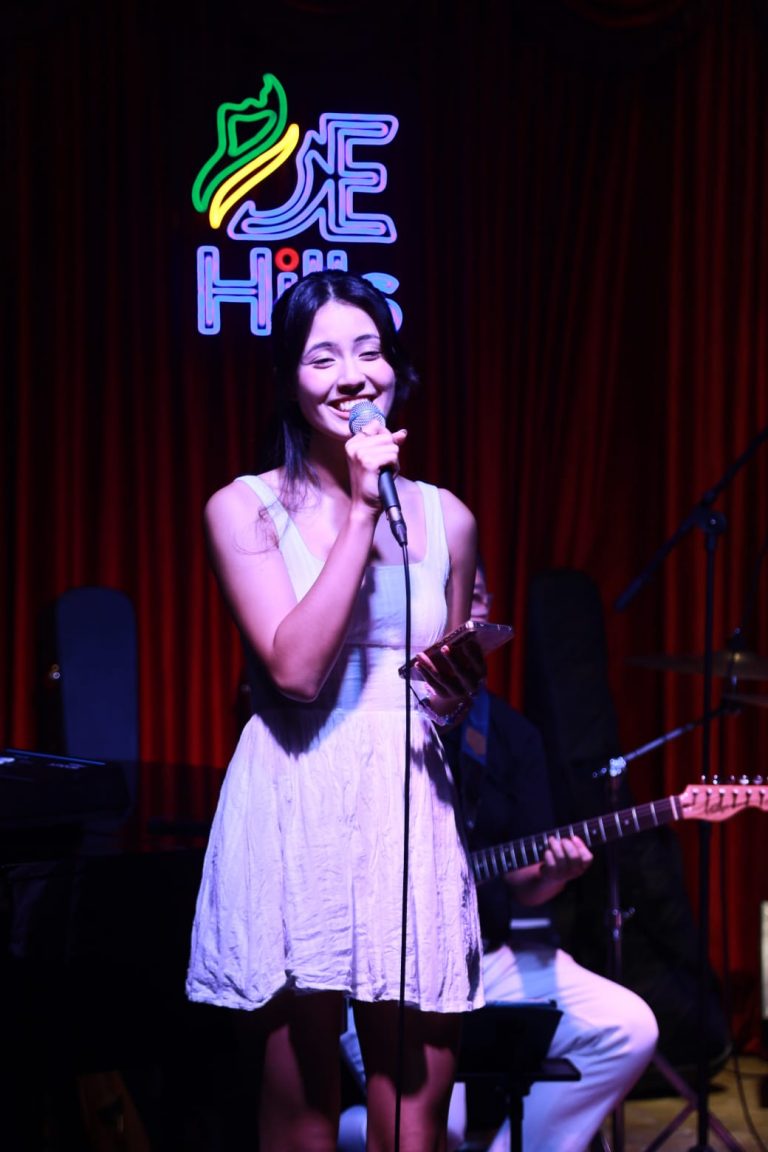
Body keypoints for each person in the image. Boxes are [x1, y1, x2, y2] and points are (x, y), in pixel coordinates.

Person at [185, 269, 488, 1152]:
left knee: (414, 1124)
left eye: (369, 352)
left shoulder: (448, 519)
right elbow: (296, 671)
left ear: (396, 371)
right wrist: (360, 514)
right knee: (302, 1120)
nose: (353, 375)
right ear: (290, 381)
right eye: (323, 358)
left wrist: (454, 691)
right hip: (294, 795)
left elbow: (446, 693)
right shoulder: (243, 508)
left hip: (408, 803)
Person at [339, 563, 659, 1152]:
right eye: (454, 596)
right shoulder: (370, 721)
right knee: (436, 1130)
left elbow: (526, 883)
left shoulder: (512, 734)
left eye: (479, 596)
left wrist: (555, 873)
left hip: (487, 958)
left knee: (628, 1027)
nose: (472, 608)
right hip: (389, 968)